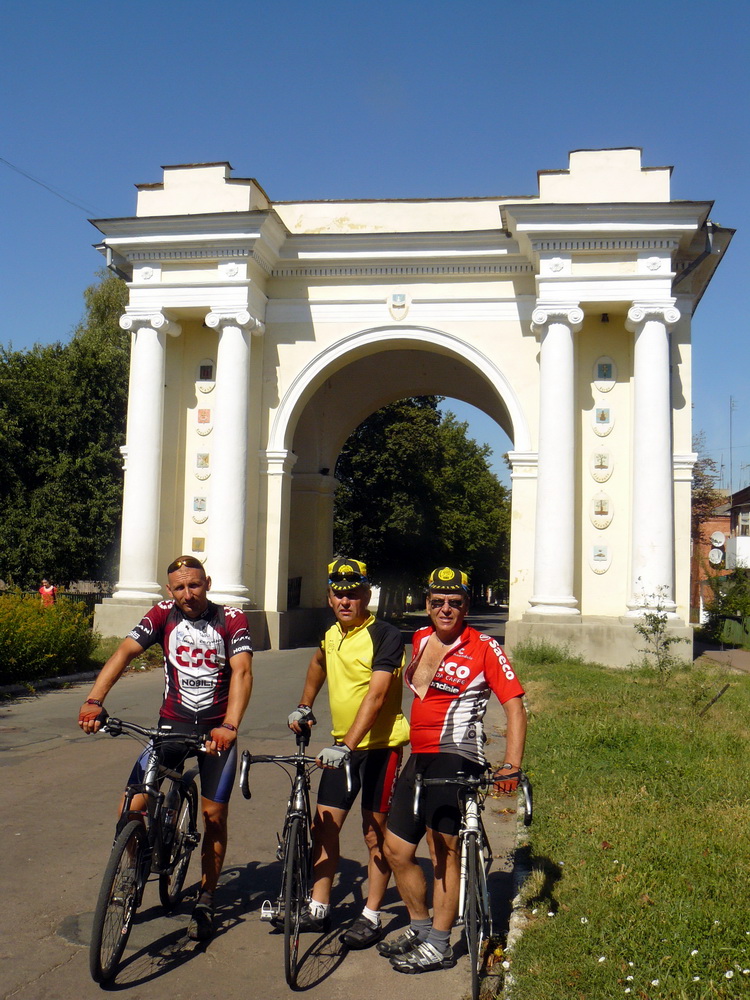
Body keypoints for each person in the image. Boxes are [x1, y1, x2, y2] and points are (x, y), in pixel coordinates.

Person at [78, 555, 253, 942]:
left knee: (213, 816)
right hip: (171, 727)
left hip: (216, 733)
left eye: (195, 585)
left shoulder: (231, 618)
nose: (188, 594)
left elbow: (242, 671)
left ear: (208, 582)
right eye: (179, 588)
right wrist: (94, 700)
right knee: (130, 806)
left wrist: (230, 725)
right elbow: (123, 653)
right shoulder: (162, 614)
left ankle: (206, 898)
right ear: (170, 590)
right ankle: (133, 870)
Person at [379, 566, 526, 974]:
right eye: (438, 601)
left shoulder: (484, 646)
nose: (446, 609)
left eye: (455, 602)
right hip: (421, 755)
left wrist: (511, 765)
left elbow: (514, 707)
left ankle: (441, 945)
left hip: (458, 755)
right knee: (395, 849)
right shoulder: (421, 638)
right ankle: (421, 927)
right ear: (428, 604)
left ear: (466, 606)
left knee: (442, 849)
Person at [287, 557, 410, 948]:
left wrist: (346, 744)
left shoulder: (385, 635)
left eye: (353, 594)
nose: (345, 601)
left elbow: (377, 696)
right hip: (343, 748)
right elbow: (318, 662)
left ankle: (371, 915)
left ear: (366, 595)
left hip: (379, 748)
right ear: (329, 598)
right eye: (338, 595)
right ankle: (319, 906)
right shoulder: (331, 634)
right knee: (324, 825)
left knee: (374, 834)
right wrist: (305, 704)